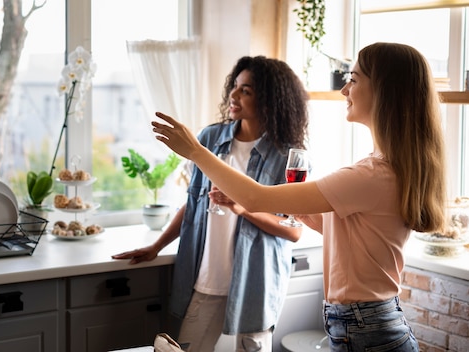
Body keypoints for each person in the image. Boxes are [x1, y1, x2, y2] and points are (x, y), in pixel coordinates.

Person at [150, 42, 447, 352]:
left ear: (385, 92)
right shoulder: (379, 169)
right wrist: (292, 201)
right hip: (363, 324)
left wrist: (196, 152)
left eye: (355, 79)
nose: (345, 89)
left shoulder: (371, 175)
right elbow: (327, 224)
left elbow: (255, 198)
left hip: (364, 328)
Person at [113, 56, 309, 351]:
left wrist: (241, 207)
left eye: (247, 90)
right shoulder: (209, 139)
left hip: (256, 281)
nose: (233, 95)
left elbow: (293, 231)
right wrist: (157, 246)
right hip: (207, 276)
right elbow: (192, 206)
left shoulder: (287, 156)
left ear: (270, 100)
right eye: (235, 87)